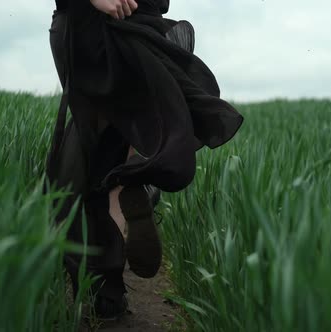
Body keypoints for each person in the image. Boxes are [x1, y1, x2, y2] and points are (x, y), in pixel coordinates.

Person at [47, 0, 243, 320]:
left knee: (93, 152)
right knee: (111, 149)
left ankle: (104, 290)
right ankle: (135, 179)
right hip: (141, 28)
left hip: (92, 26)